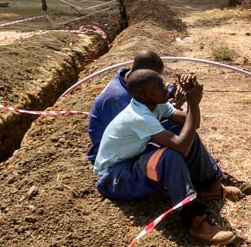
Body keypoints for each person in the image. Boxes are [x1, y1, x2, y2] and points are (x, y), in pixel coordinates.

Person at [93, 69, 237, 245]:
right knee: (170, 156)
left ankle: (210, 186)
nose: (166, 89)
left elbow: (192, 123)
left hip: (132, 161)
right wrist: (192, 102)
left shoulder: (155, 104)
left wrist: (192, 99)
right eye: (159, 87)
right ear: (145, 95)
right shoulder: (139, 116)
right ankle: (195, 221)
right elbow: (182, 147)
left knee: (183, 132)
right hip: (116, 178)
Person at [86, 50, 251, 190]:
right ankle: (203, 185)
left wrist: (176, 92)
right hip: (116, 157)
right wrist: (188, 104)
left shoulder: (133, 82)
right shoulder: (119, 98)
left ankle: (211, 176)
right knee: (177, 138)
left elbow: (188, 120)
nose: (164, 85)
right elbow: (175, 140)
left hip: (135, 138)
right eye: (159, 82)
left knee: (183, 128)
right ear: (144, 77)